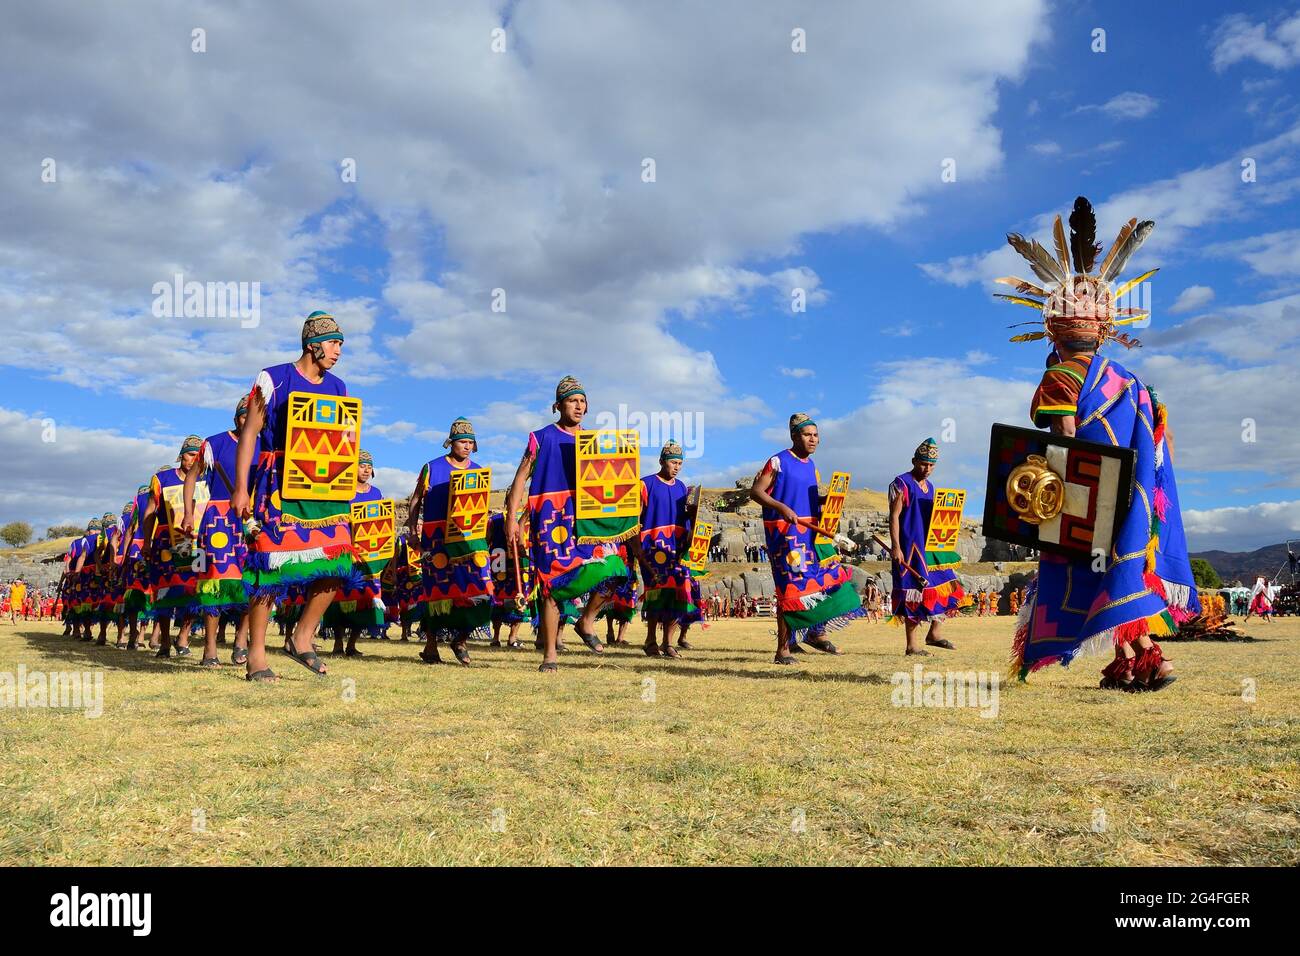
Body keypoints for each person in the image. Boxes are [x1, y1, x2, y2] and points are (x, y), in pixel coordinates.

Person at [997, 196, 1198, 691]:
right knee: (1110, 576)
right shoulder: (1130, 381)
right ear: (1102, 334)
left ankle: (1153, 657)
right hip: (1132, 499)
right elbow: (1161, 440)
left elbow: (1064, 438)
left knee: (1090, 575)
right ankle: (1128, 661)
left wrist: (1050, 501)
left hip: (1084, 499)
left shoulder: (1059, 378)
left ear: (1054, 335)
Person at [230, 310, 357, 682]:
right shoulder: (273, 379)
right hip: (279, 484)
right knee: (270, 567)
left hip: (325, 489)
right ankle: (255, 655)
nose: (338, 351)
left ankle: (302, 637)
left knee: (338, 563)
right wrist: (241, 487)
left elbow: (341, 441)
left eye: (340, 345)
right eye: (334, 343)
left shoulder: (338, 387)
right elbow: (251, 432)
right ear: (312, 343)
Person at [504, 377, 635, 673]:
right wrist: (513, 518)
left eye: (583, 400)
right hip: (551, 521)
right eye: (572, 400)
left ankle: (586, 620)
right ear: (558, 405)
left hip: (588, 521)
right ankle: (549, 654)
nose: (579, 405)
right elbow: (520, 478)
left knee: (615, 569)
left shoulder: (594, 443)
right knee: (551, 586)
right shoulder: (542, 437)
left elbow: (611, 483)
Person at [749, 413, 862, 664]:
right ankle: (782, 650)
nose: (813, 439)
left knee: (824, 580)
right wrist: (781, 507)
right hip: (785, 535)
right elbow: (756, 492)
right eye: (807, 434)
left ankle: (814, 633)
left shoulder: (812, 467)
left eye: (816, 435)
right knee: (791, 589)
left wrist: (830, 501)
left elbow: (806, 500)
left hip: (809, 533)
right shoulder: (779, 461)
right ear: (794, 436)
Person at [407, 419, 494, 665]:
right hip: (436, 540)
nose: (466, 446)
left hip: (469, 540)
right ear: (451, 443)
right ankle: (431, 645)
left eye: (470, 442)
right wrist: (413, 531)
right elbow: (415, 501)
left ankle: (461, 640)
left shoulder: (478, 471)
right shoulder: (432, 468)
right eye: (462, 442)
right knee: (437, 595)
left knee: (479, 591)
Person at [182, 396, 255, 666]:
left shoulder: (266, 444)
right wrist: (189, 514)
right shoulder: (214, 443)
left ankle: (240, 641)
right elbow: (191, 477)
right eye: (244, 415)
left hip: (252, 519)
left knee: (252, 581)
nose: (249, 421)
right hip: (219, 520)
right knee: (215, 581)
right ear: (236, 418)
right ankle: (210, 648)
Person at [888, 438, 965, 654]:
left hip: (930, 548)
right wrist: (896, 546)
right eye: (923, 463)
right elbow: (894, 516)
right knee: (914, 594)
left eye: (931, 465)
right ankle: (912, 646)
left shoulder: (930, 488)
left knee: (948, 586)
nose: (927, 468)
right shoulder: (901, 483)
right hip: (909, 548)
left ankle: (934, 633)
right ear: (914, 461)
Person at [140, 439, 206, 657]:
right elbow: (150, 511)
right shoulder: (161, 480)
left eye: (198, 456)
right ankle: (165, 640)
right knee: (165, 590)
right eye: (189, 455)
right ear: (181, 456)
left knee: (195, 589)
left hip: (196, 542)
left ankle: (184, 635)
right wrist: (147, 542)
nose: (193, 460)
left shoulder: (206, 479)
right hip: (166, 540)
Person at [638, 441, 700, 657]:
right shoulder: (645, 484)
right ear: (661, 461)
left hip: (676, 547)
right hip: (652, 546)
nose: (677, 467)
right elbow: (635, 519)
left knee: (678, 592)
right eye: (673, 462)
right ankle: (651, 640)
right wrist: (635, 548)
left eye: (680, 463)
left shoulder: (682, 487)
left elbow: (686, 519)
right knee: (656, 593)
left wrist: (693, 514)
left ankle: (668, 642)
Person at [322, 450, 387, 657]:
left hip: (368, 554)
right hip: (344, 551)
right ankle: (338, 643)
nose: (366, 469)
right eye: (362, 465)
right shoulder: (343, 492)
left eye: (369, 466)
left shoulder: (376, 493)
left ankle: (352, 644)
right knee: (340, 598)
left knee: (364, 598)